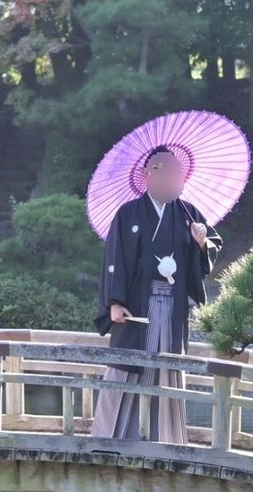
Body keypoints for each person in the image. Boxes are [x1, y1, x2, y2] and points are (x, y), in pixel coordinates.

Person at [91, 145, 221, 442]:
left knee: (167, 367)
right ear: (149, 174)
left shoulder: (188, 214)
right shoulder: (128, 214)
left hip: (172, 305)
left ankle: (166, 438)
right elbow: (114, 259)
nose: (174, 179)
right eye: (167, 171)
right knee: (128, 363)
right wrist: (114, 303)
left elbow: (211, 250)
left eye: (178, 173)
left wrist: (201, 242)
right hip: (136, 305)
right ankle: (113, 437)